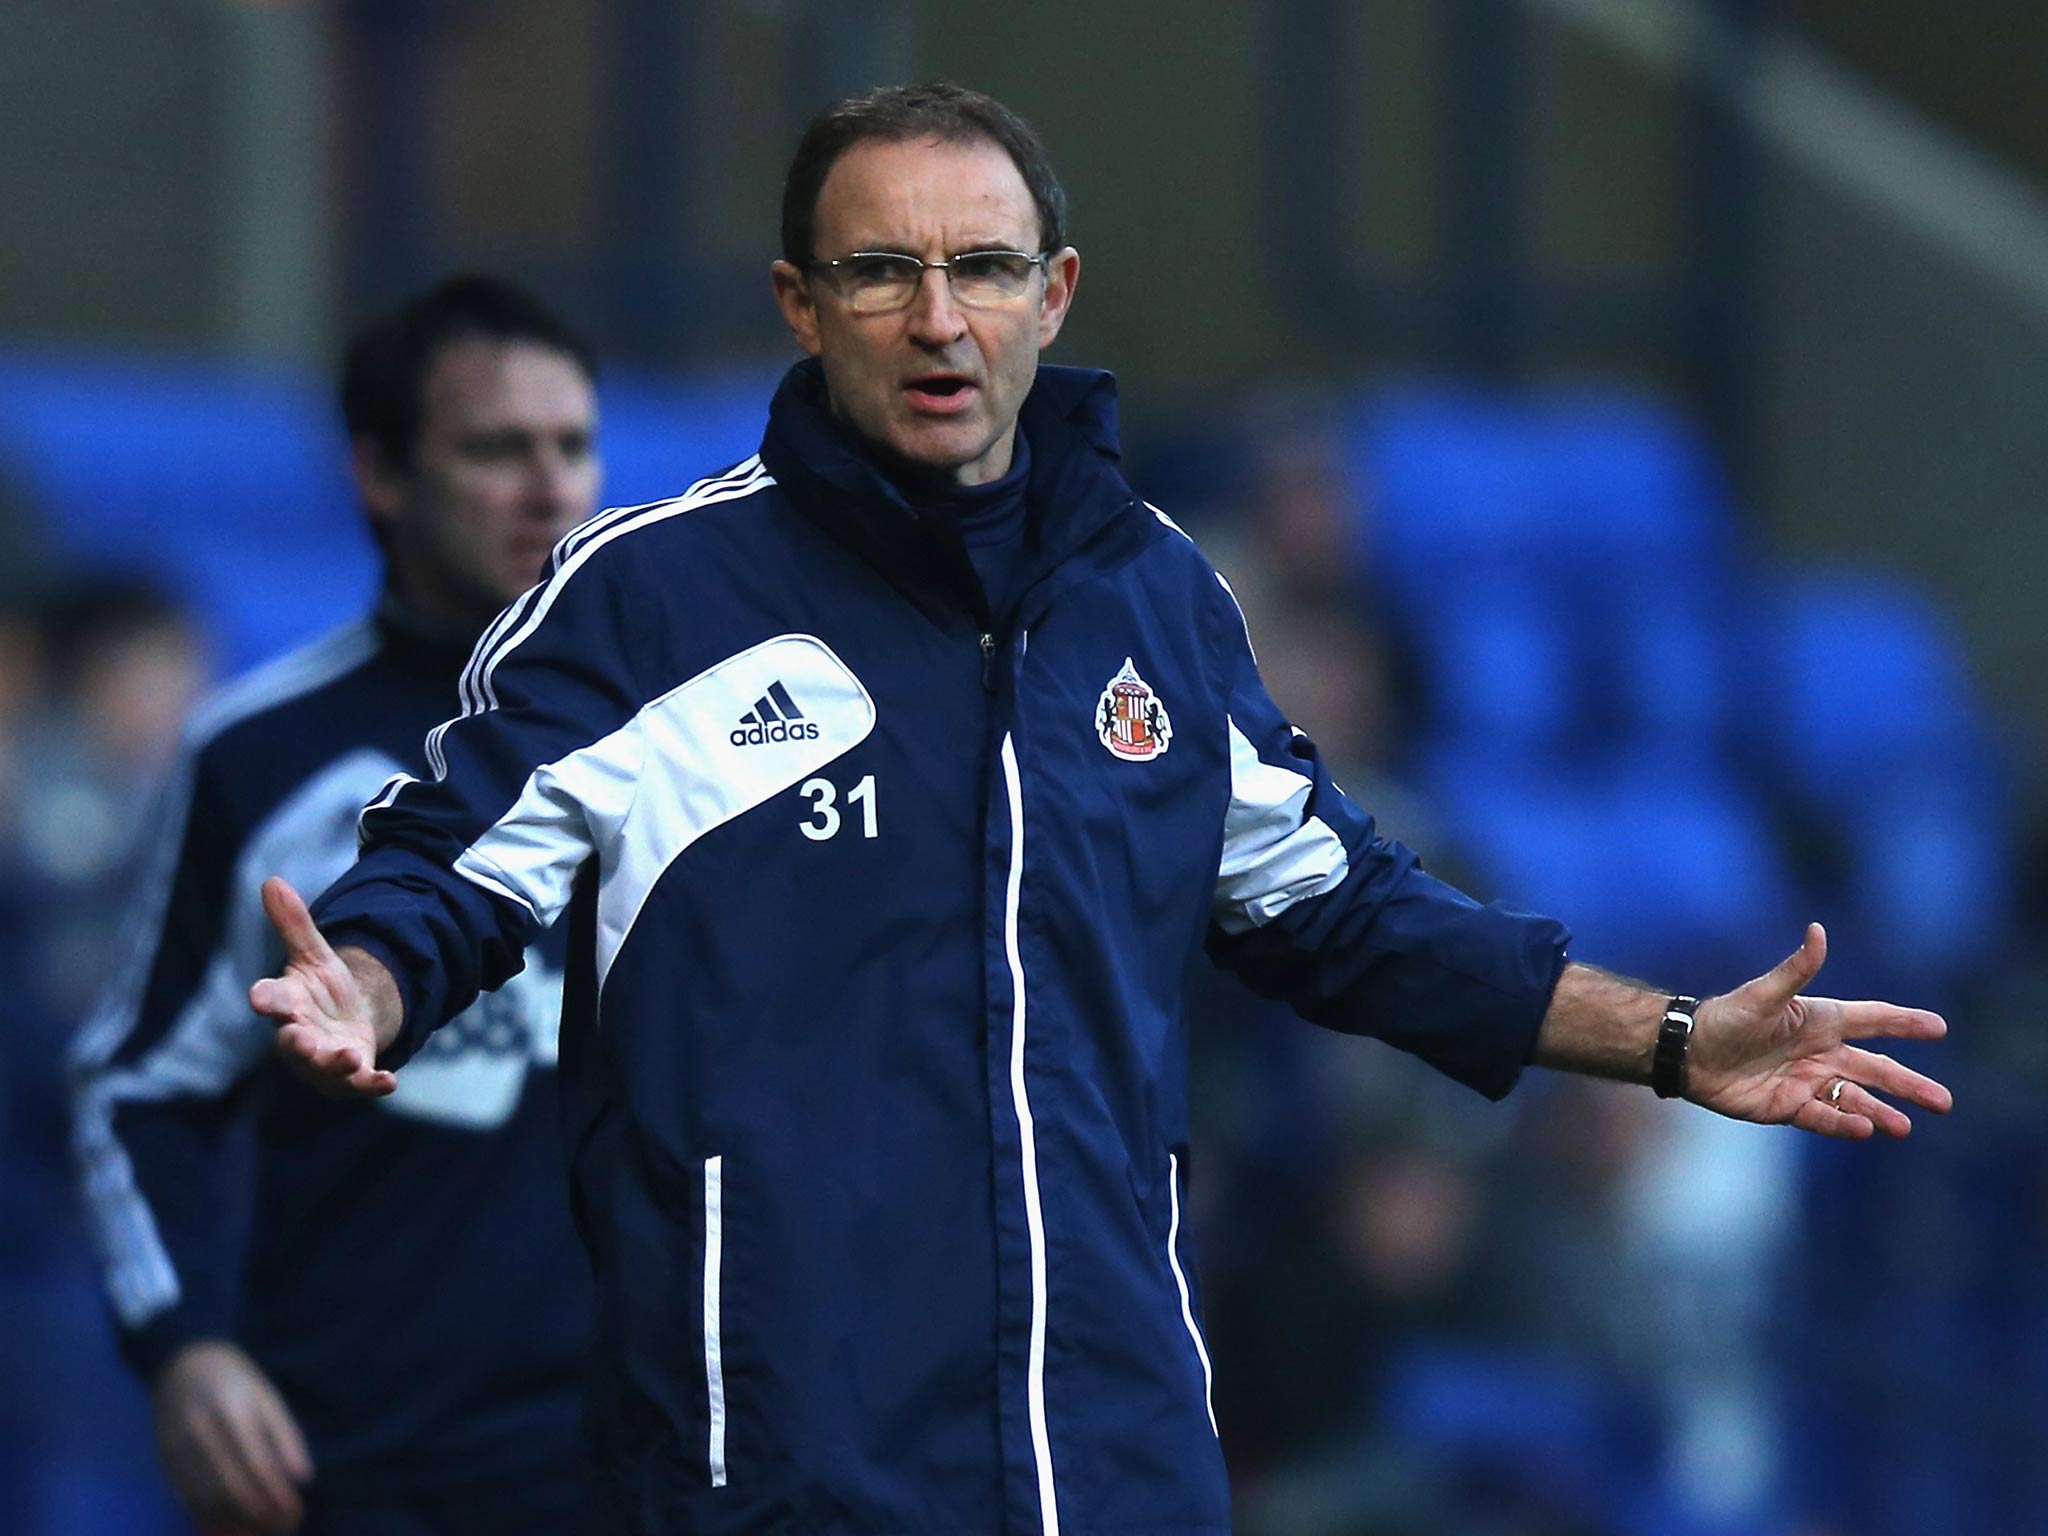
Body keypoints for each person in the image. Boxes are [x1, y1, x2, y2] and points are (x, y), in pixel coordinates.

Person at [248, 86, 1951, 1536]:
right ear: (796, 300)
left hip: (1109, 1455)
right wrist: (368, 980)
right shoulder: (647, 602)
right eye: (881, 271)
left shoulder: (1150, 597)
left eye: (982, 268)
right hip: (769, 1457)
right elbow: (455, 862)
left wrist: (1665, 1038)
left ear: (1052, 295)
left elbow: (1345, 911)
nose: (938, 318)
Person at [71, 274, 604, 1536]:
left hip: (646, 1447)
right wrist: (184, 1344)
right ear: (379, 472)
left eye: (573, 445)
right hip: (365, 1460)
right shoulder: (259, 754)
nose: (550, 487)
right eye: (496, 448)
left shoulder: (684, 734)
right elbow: (138, 1085)